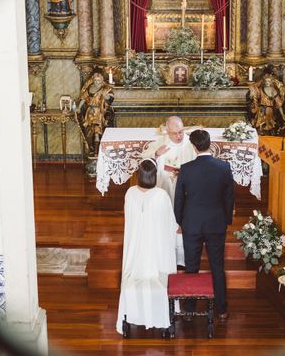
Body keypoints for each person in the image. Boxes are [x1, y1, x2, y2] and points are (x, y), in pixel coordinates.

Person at [174, 130, 234, 321]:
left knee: (191, 266)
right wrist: (226, 221)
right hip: (216, 223)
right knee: (217, 266)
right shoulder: (224, 167)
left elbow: (178, 200)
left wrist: (179, 222)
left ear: (193, 146)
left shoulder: (186, 169)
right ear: (210, 144)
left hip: (192, 224)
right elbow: (229, 197)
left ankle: (190, 310)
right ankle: (222, 309)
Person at [116, 159, 178, 336]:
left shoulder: (129, 193)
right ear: (155, 175)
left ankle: (135, 315)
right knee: (158, 275)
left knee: (136, 276)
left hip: (136, 248)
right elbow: (171, 224)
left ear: (139, 175)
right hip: (156, 248)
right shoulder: (161, 195)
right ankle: (161, 317)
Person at [76, 71, 114, 157]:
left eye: (99, 80)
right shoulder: (90, 88)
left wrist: (105, 96)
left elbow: (110, 99)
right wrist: (78, 107)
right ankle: (91, 148)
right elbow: (84, 98)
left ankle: (97, 151)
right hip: (89, 112)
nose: (97, 82)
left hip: (98, 112)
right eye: (96, 80)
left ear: (101, 80)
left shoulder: (105, 88)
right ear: (93, 80)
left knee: (97, 130)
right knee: (89, 131)